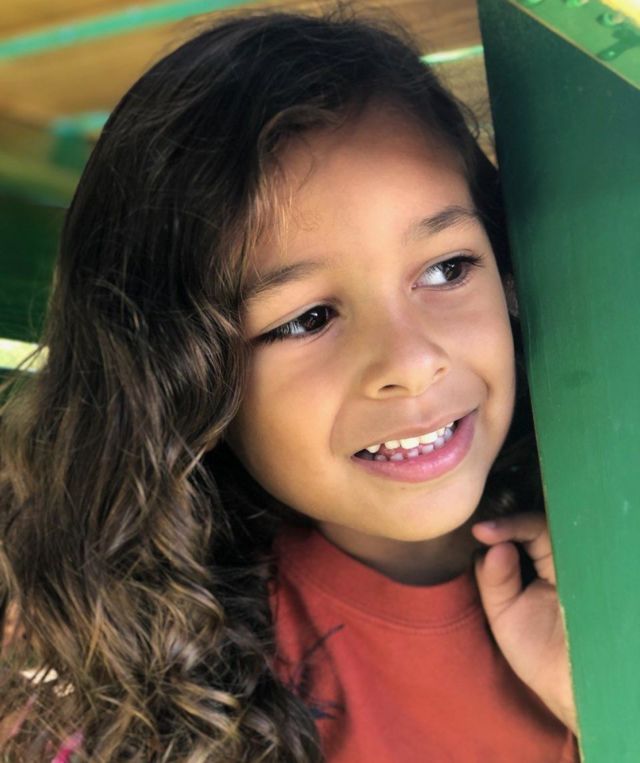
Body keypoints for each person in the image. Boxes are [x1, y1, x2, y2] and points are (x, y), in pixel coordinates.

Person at [0, 4, 580, 761]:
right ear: (183, 382)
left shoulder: (601, 562)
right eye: (307, 318)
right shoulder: (157, 683)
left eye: (447, 268)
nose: (411, 361)